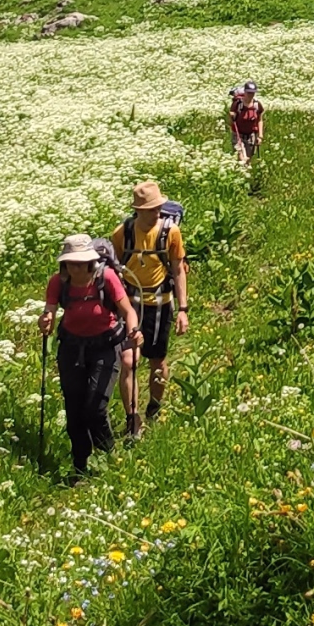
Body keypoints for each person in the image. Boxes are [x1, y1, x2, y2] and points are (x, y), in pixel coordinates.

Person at [40, 233, 139, 477]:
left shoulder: (106, 278)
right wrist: (46, 319)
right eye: (70, 262)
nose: (75, 267)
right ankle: (80, 464)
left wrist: (134, 330)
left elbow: (128, 310)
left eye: (80, 262)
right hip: (71, 347)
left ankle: (108, 458)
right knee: (74, 410)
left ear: (90, 262)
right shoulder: (58, 283)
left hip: (105, 345)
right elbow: (49, 310)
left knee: (95, 407)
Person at [114, 177, 188, 434]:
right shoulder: (122, 233)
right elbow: (113, 271)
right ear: (138, 210)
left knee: (157, 360)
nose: (156, 213)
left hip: (160, 305)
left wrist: (183, 310)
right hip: (130, 306)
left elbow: (178, 270)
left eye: (158, 207)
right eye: (150, 209)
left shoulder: (171, 232)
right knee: (128, 361)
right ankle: (132, 419)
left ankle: (154, 408)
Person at [227, 79, 265, 166]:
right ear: (245, 92)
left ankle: (245, 176)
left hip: (251, 136)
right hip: (238, 135)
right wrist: (231, 116)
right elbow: (231, 121)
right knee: (242, 158)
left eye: (252, 93)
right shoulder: (238, 104)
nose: (250, 95)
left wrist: (260, 136)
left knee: (248, 159)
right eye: (249, 93)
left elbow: (260, 120)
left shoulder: (257, 105)